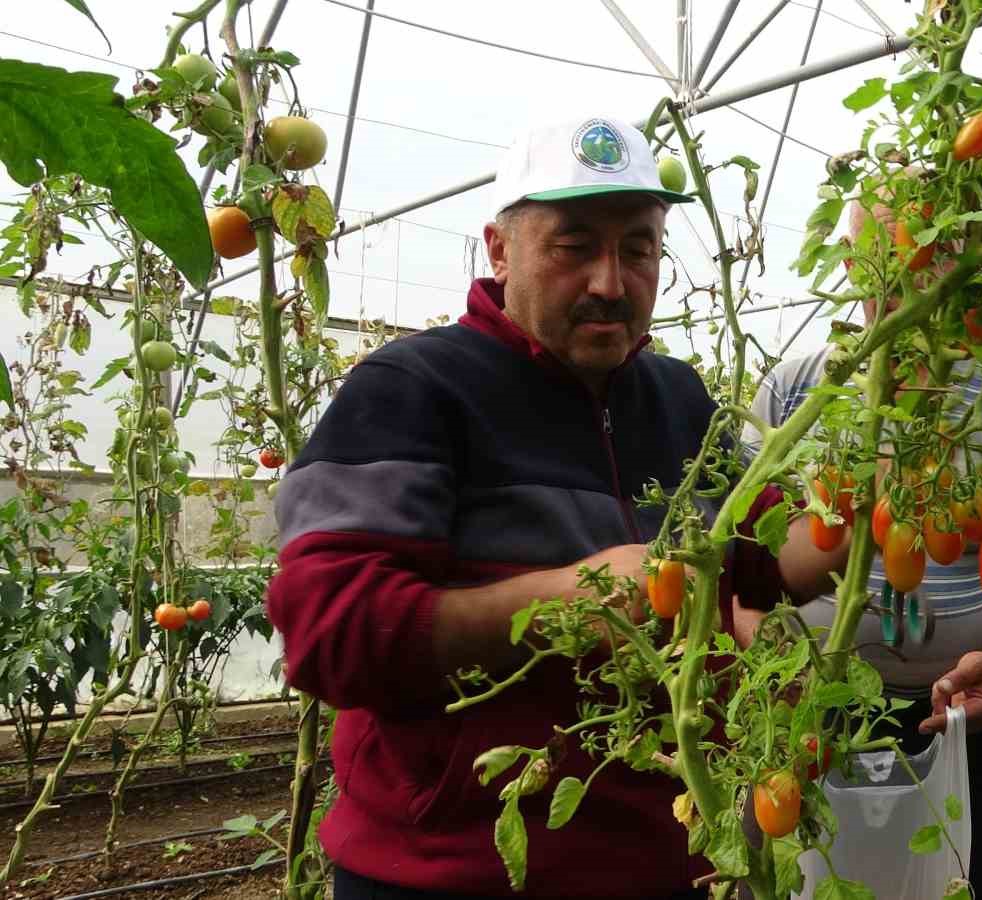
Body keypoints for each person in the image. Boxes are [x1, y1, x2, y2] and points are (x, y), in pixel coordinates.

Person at [266, 113, 822, 899]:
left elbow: (765, 564)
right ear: (499, 248)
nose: (609, 281)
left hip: (670, 864)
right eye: (574, 246)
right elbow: (329, 631)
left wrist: (870, 499)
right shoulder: (413, 391)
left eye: (638, 249)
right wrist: (567, 599)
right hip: (453, 876)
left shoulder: (679, 400)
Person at [733, 199, 982, 899]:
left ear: (968, 264)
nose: (913, 286)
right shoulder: (793, 393)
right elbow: (739, 567)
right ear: (850, 267)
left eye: (931, 260)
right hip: (808, 719)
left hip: (978, 723)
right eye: (886, 263)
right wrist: (771, 667)